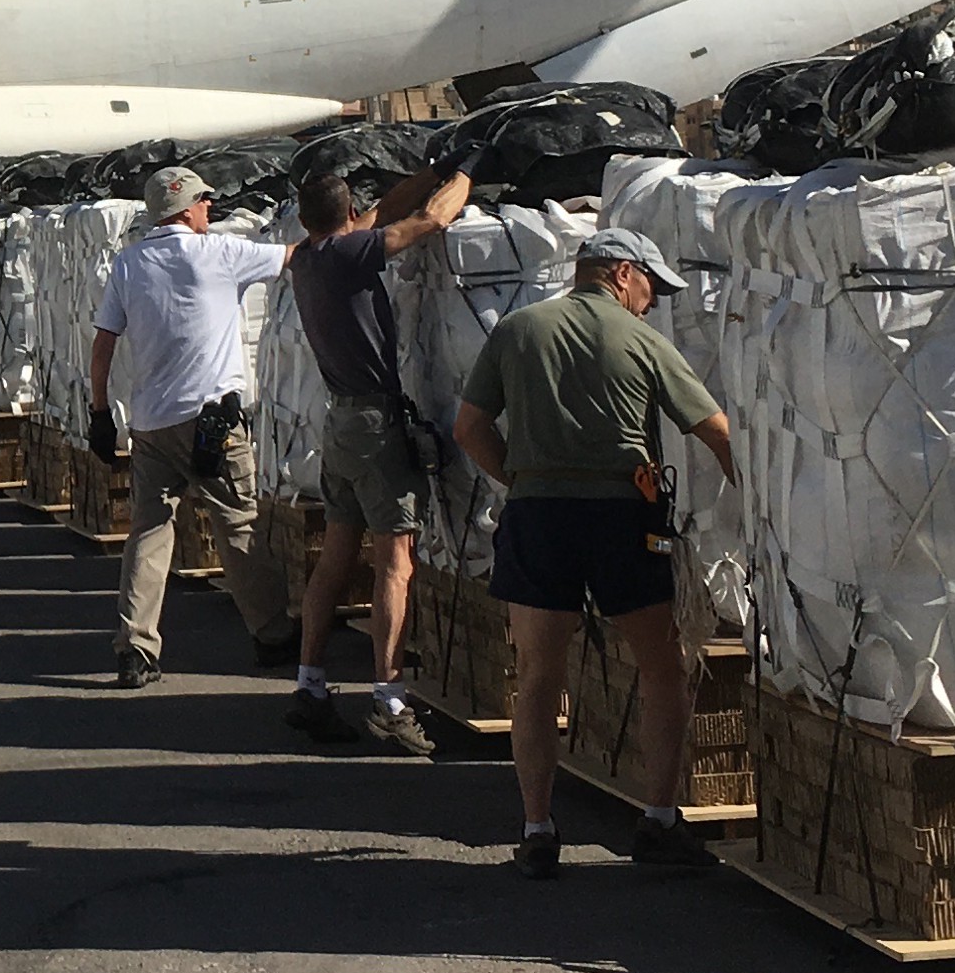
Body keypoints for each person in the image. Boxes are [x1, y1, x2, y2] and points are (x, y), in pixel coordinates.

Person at [452, 226, 738, 879]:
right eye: (650, 287)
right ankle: (659, 820)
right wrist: (746, 516)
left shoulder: (519, 329)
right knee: (663, 669)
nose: (651, 302)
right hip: (621, 519)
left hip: (538, 517)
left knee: (539, 676)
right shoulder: (641, 341)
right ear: (621, 273)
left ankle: (536, 828)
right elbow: (715, 429)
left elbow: (469, 428)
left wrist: (519, 481)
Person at [278, 161, 474, 754]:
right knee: (396, 562)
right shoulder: (348, 256)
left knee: (336, 555)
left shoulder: (311, 257)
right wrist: (467, 170)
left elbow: (382, 213)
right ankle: (389, 700)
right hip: (375, 424)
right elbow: (432, 219)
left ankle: (310, 686)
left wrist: (429, 170)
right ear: (345, 217)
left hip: (339, 421)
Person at [86, 166, 296, 687]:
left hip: (152, 425)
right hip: (212, 425)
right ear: (186, 207)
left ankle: (136, 649)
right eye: (205, 201)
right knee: (237, 525)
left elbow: (104, 341)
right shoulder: (220, 254)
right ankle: (270, 634)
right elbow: (295, 256)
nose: (210, 209)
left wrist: (98, 413)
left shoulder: (130, 263)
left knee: (150, 534)